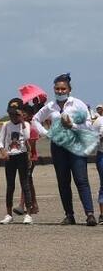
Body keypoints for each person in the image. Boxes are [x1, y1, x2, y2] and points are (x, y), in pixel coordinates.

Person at [32, 74, 97, 226]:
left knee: (81, 180)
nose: (60, 91)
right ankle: (69, 215)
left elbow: (88, 125)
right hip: (58, 146)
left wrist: (72, 126)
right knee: (63, 181)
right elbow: (35, 119)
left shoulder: (78, 104)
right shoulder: (50, 106)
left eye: (63, 89)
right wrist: (46, 133)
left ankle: (90, 214)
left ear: (69, 89)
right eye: (57, 89)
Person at [0, 98, 35, 224]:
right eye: (10, 114)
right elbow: (0, 140)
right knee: (10, 185)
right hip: (10, 157)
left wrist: (22, 121)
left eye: (15, 114)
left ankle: (28, 214)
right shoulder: (6, 125)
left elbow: (27, 136)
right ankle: (8, 214)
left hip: (22, 155)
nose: (13, 117)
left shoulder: (25, 124)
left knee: (25, 184)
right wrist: (3, 151)